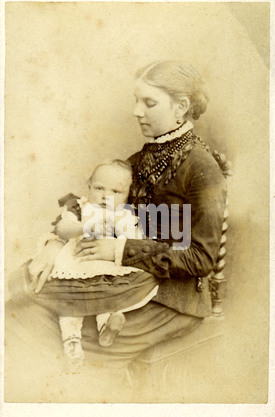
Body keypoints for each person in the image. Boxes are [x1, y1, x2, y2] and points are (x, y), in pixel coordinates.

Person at [6, 60, 227, 385]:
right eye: (136, 100)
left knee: (73, 350)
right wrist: (54, 245)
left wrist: (119, 248)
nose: (137, 111)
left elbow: (201, 258)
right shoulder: (141, 159)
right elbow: (91, 205)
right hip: (118, 278)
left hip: (173, 295)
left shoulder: (202, 168)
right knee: (21, 304)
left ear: (181, 107)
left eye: (149, 103)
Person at [11, 159, 159, 364]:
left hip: (105, 265)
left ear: (127, 195)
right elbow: (62, 229)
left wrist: (118, 235)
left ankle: (107, 326)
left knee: (108, 297)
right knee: (68, 304)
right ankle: (71, 342)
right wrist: (84, 227)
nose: (106, 196)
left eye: (116, 192)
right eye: (99, 188)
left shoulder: (124, 214)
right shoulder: (80, 208)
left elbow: (134, 241)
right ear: (88, 186)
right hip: (76, 263)